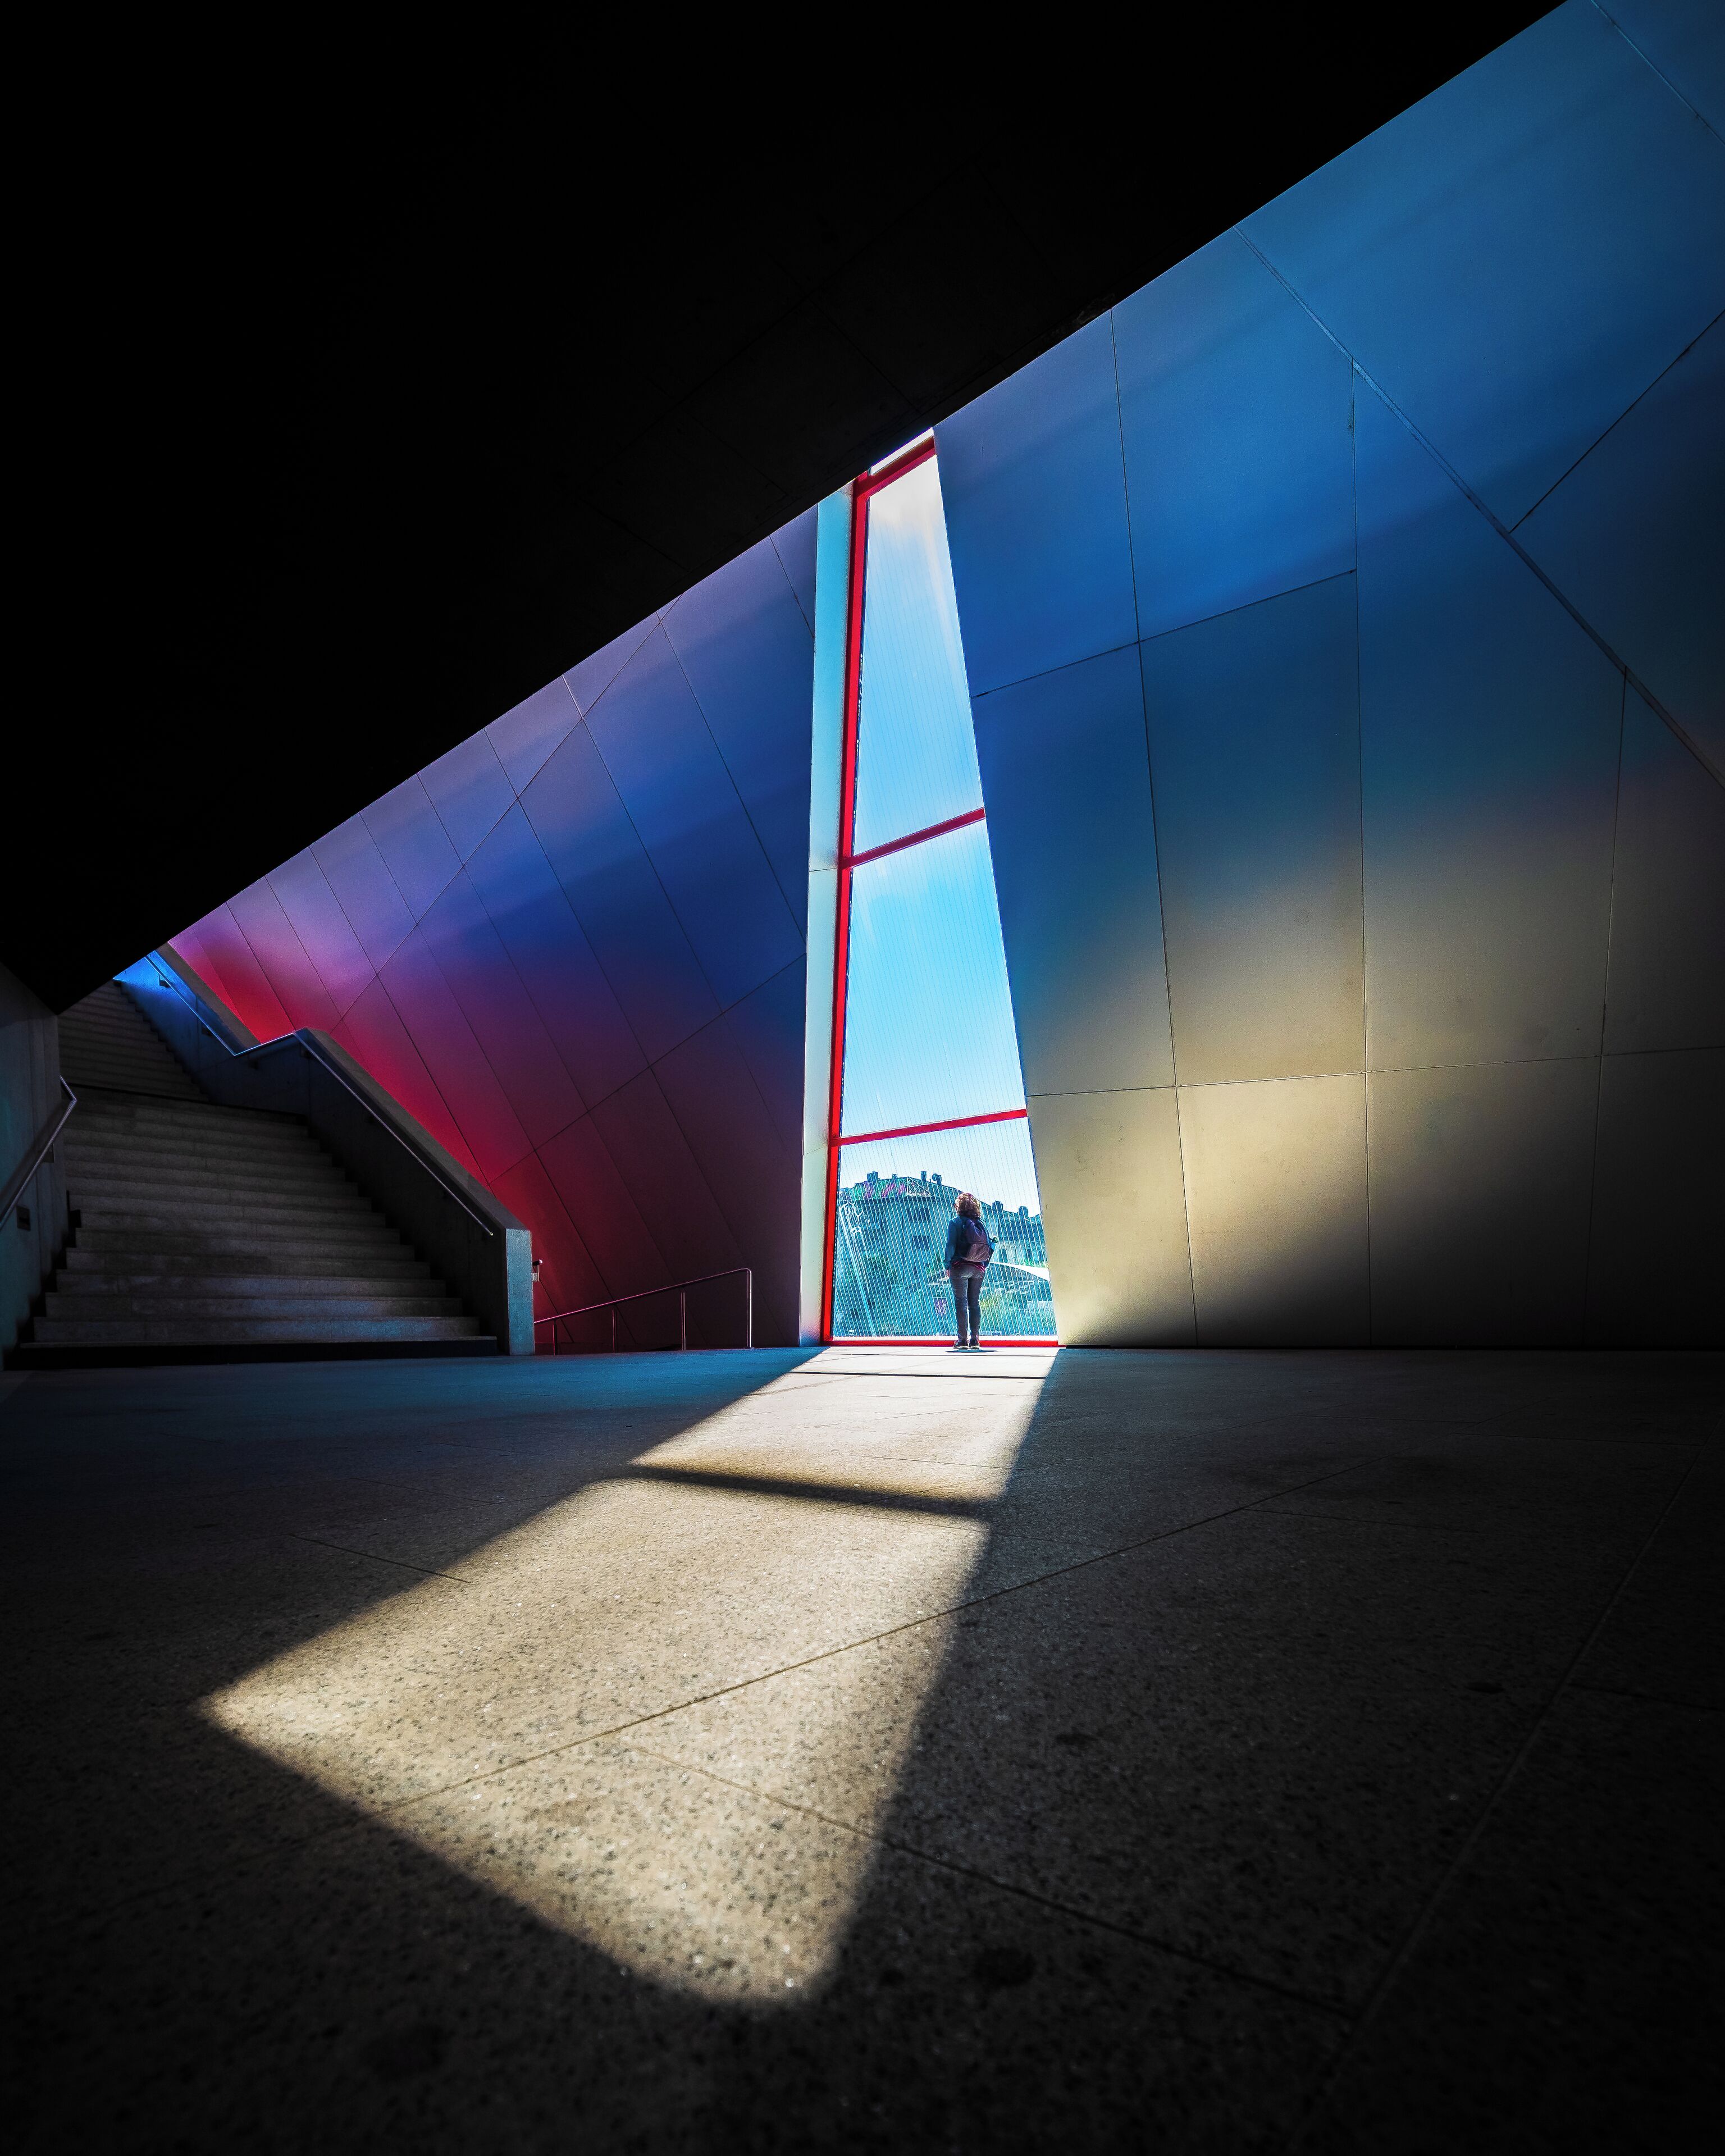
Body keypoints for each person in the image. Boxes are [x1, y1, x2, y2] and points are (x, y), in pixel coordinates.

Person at [943, 1191, 993, 1350]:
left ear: (959, 1207)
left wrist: (947, 1265)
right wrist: (983, 1264)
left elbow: (950, 1246)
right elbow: (988, 1246)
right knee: (974, 1303)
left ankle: (962, 1341)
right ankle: (975, 1340)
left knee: (961, 1303)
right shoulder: (980, 1224)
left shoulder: (955, 1222)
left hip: (960, 1267)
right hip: (979, 1269)